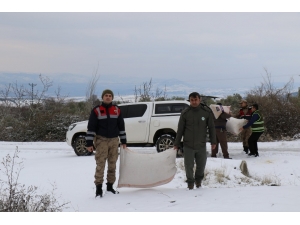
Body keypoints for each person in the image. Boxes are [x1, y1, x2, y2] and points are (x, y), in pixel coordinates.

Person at [85, 89, 127, 198]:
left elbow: (121, 127)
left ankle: (110, 187)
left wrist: (123, 141)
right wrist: (89, 143)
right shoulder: (97, 110)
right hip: (101, 141)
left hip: (114, 141)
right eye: (106, 95)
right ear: (102, 97)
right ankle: (98, 190)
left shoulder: (117, 110)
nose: (108, 97)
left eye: (109, 95)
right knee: (100, 165)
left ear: (112, 97)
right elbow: (91, 128)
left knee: (112, 164)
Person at [174, 92, 216, 190]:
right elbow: (180, 129)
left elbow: (211, 127)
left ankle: (198, 181)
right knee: (189, 166)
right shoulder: (185, 113)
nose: (194, 102)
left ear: (199, 99)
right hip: (188, 145)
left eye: (195, 100)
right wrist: (176, 143)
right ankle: (190, 184)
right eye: (192, 100)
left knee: (201, 165)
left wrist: (213, 141)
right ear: (190, 101)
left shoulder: (206, 112)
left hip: (201, 144)